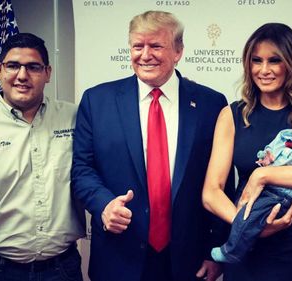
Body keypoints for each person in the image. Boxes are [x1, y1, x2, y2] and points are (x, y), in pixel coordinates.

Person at [71, 10, 230, 281]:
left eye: (156, 45)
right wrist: (104, 204)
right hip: (118, 257)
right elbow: (82, 169)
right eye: (137, 46)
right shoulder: (97, 101)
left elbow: (223, 183)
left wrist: (215, 251)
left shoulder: (211, 104)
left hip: (188, 260)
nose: (145, 55)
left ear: (178, 50)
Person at [202, 23, 292, 281]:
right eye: (256, 61)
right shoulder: (232, 114)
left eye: (274, 61)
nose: (263, 70)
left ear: (291, 63)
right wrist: (249, 226)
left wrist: (264, 175)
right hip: (246, 247)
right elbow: (212, 191)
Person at [0, 33, 85, 281]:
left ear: (48, 72)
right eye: (13, 66)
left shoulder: (77, 119)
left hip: (63, 269)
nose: (22, 75)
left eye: (33, 67)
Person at [211, 108, 292, 264]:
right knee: (247, 213)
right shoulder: (284, 141)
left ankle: (231, 251)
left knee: (252, 215)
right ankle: (246, 241)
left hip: (283, 199)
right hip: (266, 192)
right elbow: (271, 151)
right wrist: (265, 157)